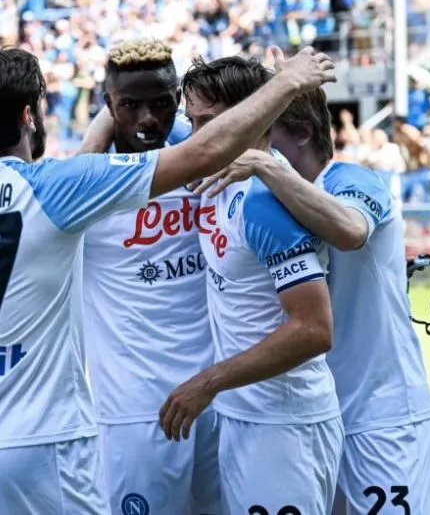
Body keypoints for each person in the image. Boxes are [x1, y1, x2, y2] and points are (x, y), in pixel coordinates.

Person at [0, 45, 336, 514]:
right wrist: (288, 81)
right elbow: (209, 149)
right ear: (29, 116)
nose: (147, 118)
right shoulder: (59, 188)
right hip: (52, 438)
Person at [194, 51, 430, 515]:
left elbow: (349, 231)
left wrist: (269, 166)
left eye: (266, 129)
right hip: (312, 410)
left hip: (380, 413)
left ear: (301, 133)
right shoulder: (260, 200)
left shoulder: (354, 180)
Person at [157, 55, 343, 515]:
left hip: (285, 424)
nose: (197, 134)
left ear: (251, 116)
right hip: (243, 414)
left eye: (210, 121)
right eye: (192, 120)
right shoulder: (215, 171)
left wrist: (209, 381)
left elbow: (314, 329)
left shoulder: (264, 202)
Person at [73, 39, 219, 514]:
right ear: (108, 104)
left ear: (178, 100)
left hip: (219, 394)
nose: (147, 119)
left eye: (161, 103)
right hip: (135, 408)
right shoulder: (84, 183)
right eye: (129, 106)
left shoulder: (205, 160)